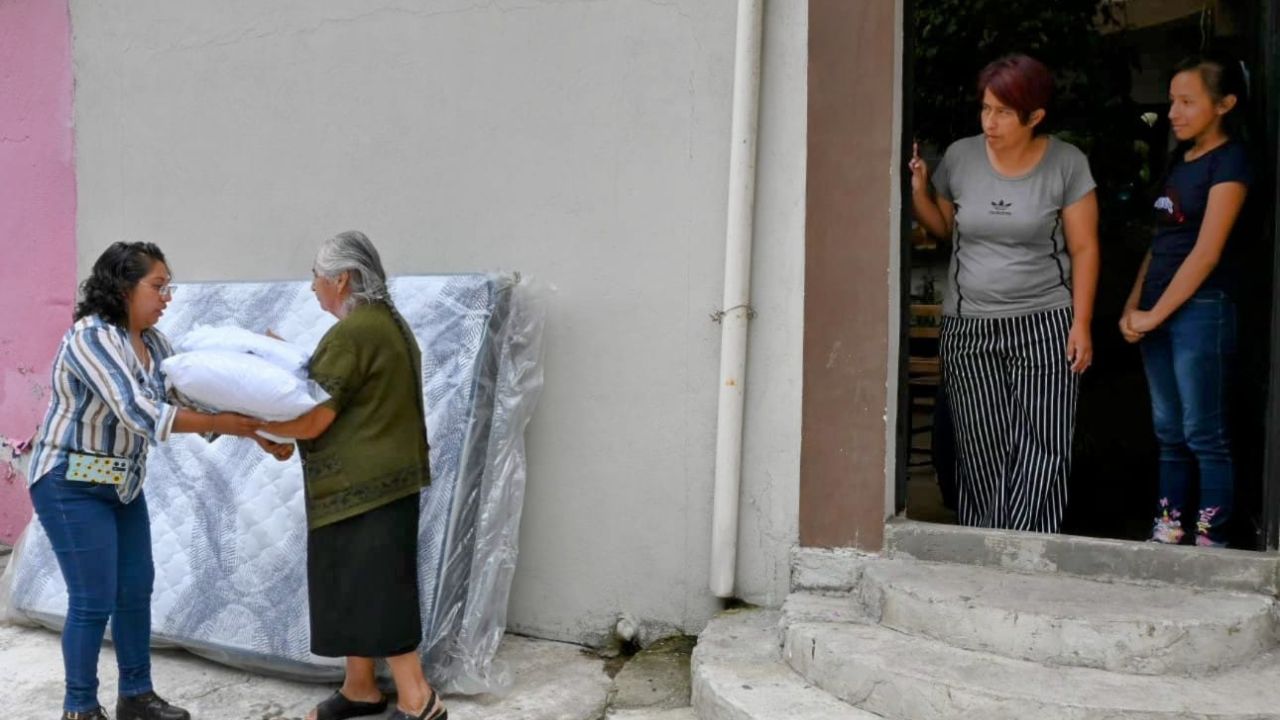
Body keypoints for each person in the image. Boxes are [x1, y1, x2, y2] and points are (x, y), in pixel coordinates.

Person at [25, 242, 263, 720]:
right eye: (158, 286)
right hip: (70, 482)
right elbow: (139, 412)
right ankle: (80, 707)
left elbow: (192, 400)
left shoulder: (155, 344)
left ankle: (136, 697)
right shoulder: (90, 338)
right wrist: (233, 424)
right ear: (122, 287)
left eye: (167, 286)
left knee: (135, 590)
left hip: (121, 486)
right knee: (93, 599)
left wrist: (257, 430)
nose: (167, 297)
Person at [909, 53, 1100, 532]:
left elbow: (1084, 247)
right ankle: (986, 547)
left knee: (1043, 444)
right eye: (985, 109)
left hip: (1044, 323)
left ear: (1035, 117)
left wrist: (1081, 323)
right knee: (979, 445)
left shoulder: (1066, 164)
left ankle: (1028, 548)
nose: (989, 122)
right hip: (969, 327)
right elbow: (947, 229)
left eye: (1002, 112)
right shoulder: (960, 156)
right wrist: (919, 192)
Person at [259, 231, 444, 720]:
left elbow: (316, 416)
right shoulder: (385, 323)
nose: (312, 287)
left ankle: (418, 698)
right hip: (373, 483)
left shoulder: (355, 331)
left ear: (341, 279)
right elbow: (337, 390)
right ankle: (360, 686)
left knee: (378, 589)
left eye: (316, 277)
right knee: (349, 585)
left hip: (365, 487)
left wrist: (249, 424)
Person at [1120, 54, 1252, 548]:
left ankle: (1209, 539)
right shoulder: (1180, 160)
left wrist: (1156, 313)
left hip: (1201, 310)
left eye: (1186, 101)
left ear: (1225, 104)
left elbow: (1206, 252)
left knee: (1203, 432)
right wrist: (1132, 308)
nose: (1173, 112)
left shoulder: (1231, 161)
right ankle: (1169, 530)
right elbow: (1160, 244)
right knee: (1168, 432)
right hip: (1157, 311)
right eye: (1172, 100)